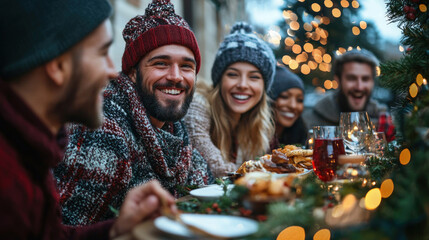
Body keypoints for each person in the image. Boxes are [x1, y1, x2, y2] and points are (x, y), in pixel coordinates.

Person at [0, 0, 177, 239]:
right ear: (58, 65)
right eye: (103, 53)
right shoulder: (8, 181)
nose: (113, 71)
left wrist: (115, 228)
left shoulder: (32, 148)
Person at [54, 0, 211, 226]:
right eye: (160, 63)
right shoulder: (104, 129)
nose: (176, 76)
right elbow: (67, 228)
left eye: (187, 66)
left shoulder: (175, 129)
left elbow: (208, 191)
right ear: (132, 72)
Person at [184, 22, 276, 178]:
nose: (242, 85)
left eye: (254, 77)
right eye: (233, 74)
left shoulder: (257, 125)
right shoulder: (197, 106)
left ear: (264, 87)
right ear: (219, 80)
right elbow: (217, 168)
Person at [303, 49, 383, 128]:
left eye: (365, 79)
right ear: (338, 80)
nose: (359, 87)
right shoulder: (308, 122)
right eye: (351, 78)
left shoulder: (385, 122)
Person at [269, 65, 307, 149]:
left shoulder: (301, 138)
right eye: (284, 97)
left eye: (299, 100)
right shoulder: (251, 140)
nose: (293, 106)